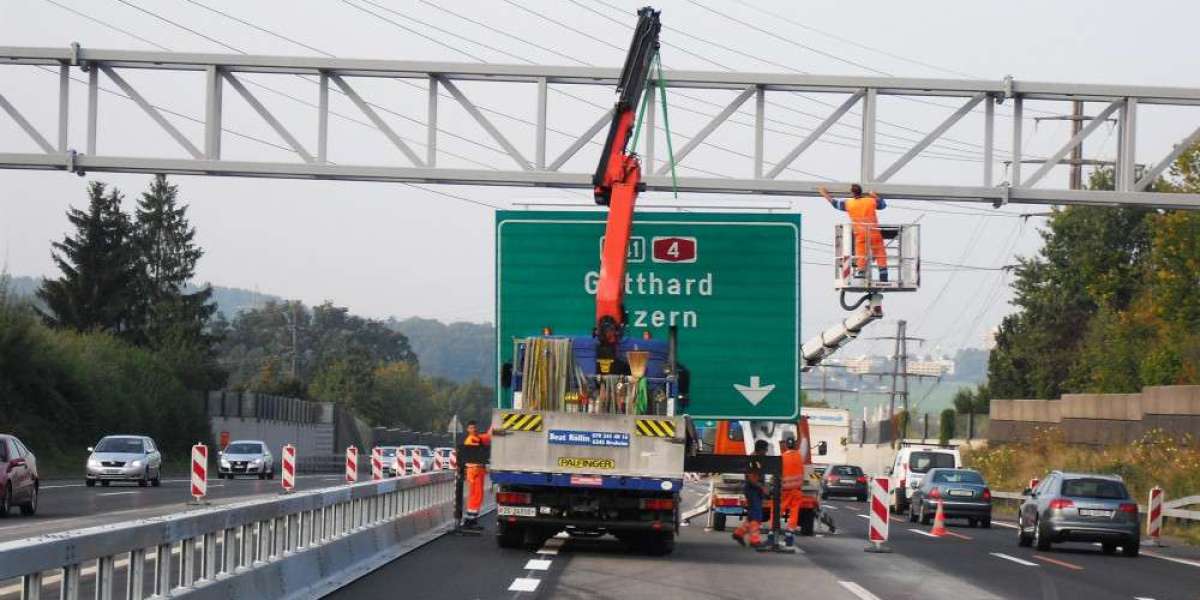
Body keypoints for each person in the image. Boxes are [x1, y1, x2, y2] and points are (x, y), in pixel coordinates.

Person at [819, 184, 889, 282]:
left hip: (860, 233)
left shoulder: (849, 203)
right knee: (880, 252)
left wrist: (824, 193)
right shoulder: (870, 201)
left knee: (861, 253)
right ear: (861, 191)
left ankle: (861, 271)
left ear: (852, 193)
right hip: (874, 232)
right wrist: (874, 195)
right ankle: (883, 276)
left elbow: (835, 204)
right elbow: (883, 205)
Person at [732, 439, 770, 548]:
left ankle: (739, 533)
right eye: (765, 450)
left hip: (753, 489)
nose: (766, 452)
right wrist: (762, 487)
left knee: (751, 515)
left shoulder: (755, 458)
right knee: (757, 515)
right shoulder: (753, 460)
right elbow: (752, 478)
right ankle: (755, 540)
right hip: (752, 489)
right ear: (761, 450)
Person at [462, 419, 491, 529]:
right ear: (468, 429)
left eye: (475, 427)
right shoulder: (472, 439)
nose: (474, 429)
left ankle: (472, 519)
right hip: (474, 471)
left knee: (476, 495)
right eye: (472, 428)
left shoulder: (476, 438)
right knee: (476, 495)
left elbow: (486, 438)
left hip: (477, 470)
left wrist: (490, 431)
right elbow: (482, 440)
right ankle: (470, 520)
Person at [778, 435, 805, 548]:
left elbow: (778, 472)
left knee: (777, 510)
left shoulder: (782, 457)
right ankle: (789, 533)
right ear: (794, 445)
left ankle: (773, 531)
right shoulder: (799, 457)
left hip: (785, 490)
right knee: (794, 512)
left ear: (785, 446)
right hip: (797, 490)